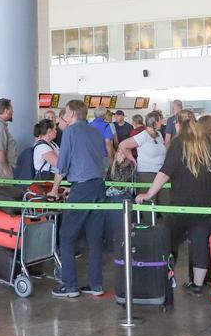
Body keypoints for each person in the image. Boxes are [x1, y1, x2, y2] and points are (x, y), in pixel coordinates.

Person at [136, 110, 211, 294]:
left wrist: (149, 194)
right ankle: (197, 285)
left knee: (170, 242)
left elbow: (165, 172)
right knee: (199, 243)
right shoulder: (207, 143)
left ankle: (167, 279)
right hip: (208, 204)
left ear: (178, 124)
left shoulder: (178, 143)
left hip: (182, 203)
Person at [50, 99, 108, 297]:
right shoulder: (95, 131)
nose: (64, 117)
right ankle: (95, 285)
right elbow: (101, 159)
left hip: (82, 188)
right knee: (94, 238)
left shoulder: (70, 132)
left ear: (73, 114)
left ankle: (70, 285)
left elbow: (62, 164)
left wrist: (54, 189)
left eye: (66, 113)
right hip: (99, 187)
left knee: (66, 236)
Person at [120, 110, 167, 186]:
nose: (162, 122)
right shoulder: (143, 136)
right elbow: (123, 145)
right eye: (160, 120)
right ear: (154, 123)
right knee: (147, 197)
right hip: (146, 174)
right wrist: (132, 159)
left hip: (160, 173)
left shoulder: (159, 134)